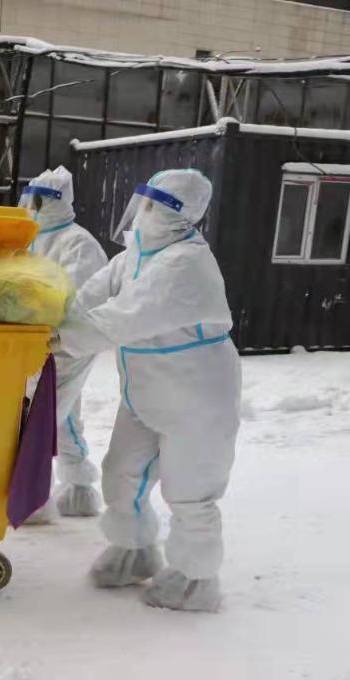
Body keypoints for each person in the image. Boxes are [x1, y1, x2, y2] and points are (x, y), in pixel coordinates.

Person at [56, 169, 241, 612]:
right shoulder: (134, 257)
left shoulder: (187, 263)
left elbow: (124, 316)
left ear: (178, 214)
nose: (142, 212)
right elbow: (89, 298)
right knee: (121, 473)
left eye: (153, 204)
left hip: (196, 395)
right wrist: (51, 317)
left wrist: (62, 339)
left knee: (190, 491)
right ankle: (133, 551)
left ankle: (196, 580)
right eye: (143, 201)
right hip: (145, 389)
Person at [18, 166, 108, 519]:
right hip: (37, 341)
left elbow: (77, 299)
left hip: (66, 343)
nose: (29, 206)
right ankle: (79, 490)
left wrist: (49, 328)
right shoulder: (31, 237)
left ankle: (33, 498)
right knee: (61, 413)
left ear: (52, 201)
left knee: (41, 415)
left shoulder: (77, 243)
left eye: (36, 200)